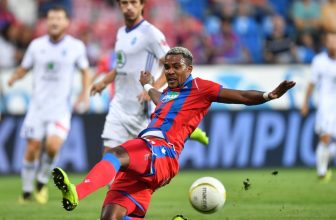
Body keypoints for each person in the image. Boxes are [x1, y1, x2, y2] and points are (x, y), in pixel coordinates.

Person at [52, 46, 295, 220]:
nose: (169, 71)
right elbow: (160, 100)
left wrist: (268, 96)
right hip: (150, 161)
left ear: (189, 68)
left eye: (175, 67)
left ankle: (77, 192)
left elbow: (240, 96)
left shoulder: (201, 87)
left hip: (161, 153)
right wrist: (148, 85)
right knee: (110, 216)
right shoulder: (169, 93)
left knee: (117, 154)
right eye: (166, 67)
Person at [90, 0, 207, 156]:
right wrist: (104, 82)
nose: (129, 7)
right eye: (125, 3)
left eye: (133, 2)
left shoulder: (151, 33)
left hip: (142, 108)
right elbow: (122, 66)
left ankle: (188, 130)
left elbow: (173, 65)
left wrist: (151, 89)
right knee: (110, 157)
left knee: (149, 163)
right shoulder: (121, 33)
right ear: (120, 6)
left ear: (142, 5)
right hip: (119, 105)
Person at [7, 6, 90, 204]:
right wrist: (14, 77)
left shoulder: (76, 46)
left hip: (60, 109)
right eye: (51, 18)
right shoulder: (36, 45)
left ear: (66, 23)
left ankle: (41, 182)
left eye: (58, 19)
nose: (54, 22)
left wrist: (84, 94)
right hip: (37, 108)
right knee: (32, 147)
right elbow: (25, 68)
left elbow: (86, 71)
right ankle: (27, 192)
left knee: (52, 146)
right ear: (46, 22)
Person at [301, 31, 336, 182]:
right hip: (326, 105)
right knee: (325, 137)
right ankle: (322, 171)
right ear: (325, 43)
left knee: (329, 143)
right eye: (329, 40)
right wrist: (305, 103)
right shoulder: (319, 60)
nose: (332, 43)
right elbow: (311, 83)